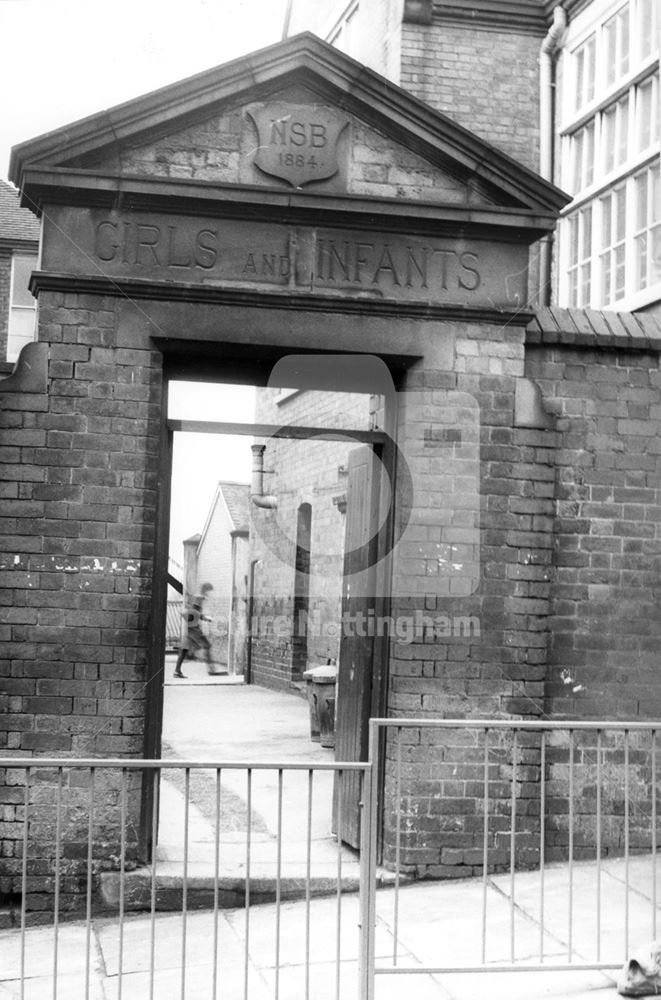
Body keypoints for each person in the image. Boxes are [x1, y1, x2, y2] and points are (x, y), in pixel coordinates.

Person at [174, 582, 218, 677]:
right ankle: (211, 670)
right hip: (194, 629)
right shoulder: (199, 598)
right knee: (207, 645)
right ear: (206, 590)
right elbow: (193, 613)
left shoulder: (197, 598)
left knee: (184, 649)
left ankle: (177, 671)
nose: (210, 594)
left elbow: (192, 612)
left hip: (191, 628)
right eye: (210, 591)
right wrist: (205, 618)